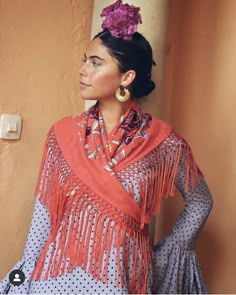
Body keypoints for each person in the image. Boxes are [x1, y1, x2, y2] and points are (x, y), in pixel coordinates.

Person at [0, 0, 213, 294]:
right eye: (84, 59)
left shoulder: (164, 143)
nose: (82, 70)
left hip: (120, 281)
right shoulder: (62, 134)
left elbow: (201, 201)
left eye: (95, 62)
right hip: (53, 277)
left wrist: (171, 252)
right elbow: (43, 216)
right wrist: (21, 280)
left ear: (126, 78)